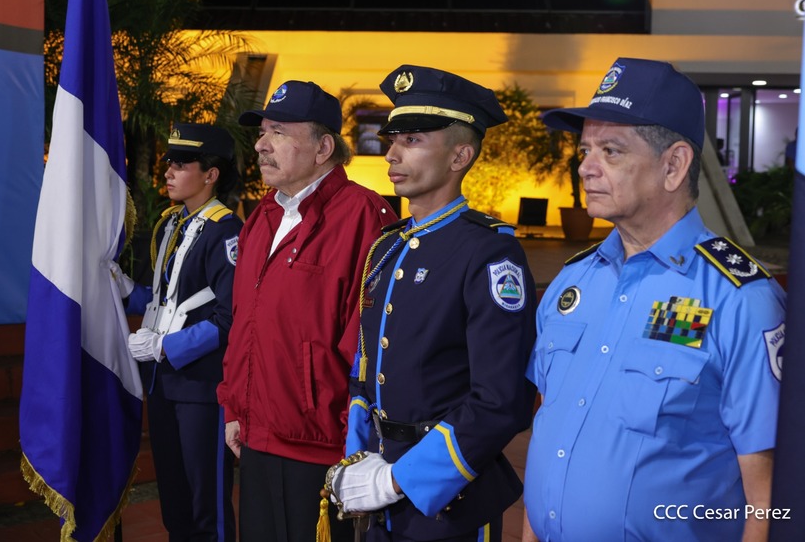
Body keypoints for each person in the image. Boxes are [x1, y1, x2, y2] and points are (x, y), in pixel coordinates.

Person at [523, 58, 787, 542]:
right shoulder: (570, 285)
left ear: (674, 165)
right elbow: (549, 434)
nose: (585, 168)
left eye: (611, 151)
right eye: (585, 150)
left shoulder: (741, 301)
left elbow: (767, 498)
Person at [330, 65, 537, 541]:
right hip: (376, 478)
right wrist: (359, 459)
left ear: (460, 156)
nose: (392, 153)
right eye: (393, 139)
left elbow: (501, 401)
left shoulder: (489, 253)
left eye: (413, 140)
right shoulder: (387, 247)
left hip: (447, 495)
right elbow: (366, 367)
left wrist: (399, 480)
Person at [216, 80, 397, 542]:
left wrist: (355, 445)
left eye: (278, 132)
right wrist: (235, 406)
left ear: (323, 148)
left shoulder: (363, 216)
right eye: (262, 132)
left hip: (322, 448)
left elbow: (368, 344)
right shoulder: (263, 217)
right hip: (256, 437)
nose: (261, 144)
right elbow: (244, 324)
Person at [111, 123, 242, 541]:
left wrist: (167, 347)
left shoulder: (226, 232)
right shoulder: (172, 224)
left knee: (207, 503)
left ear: (211, 174)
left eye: (182, 164)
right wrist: (125, 290)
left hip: (201, 385)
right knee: (174, 499)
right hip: (163, 381)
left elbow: (230, 318)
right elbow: (167, 302)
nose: (168, 171)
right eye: (170, 161)